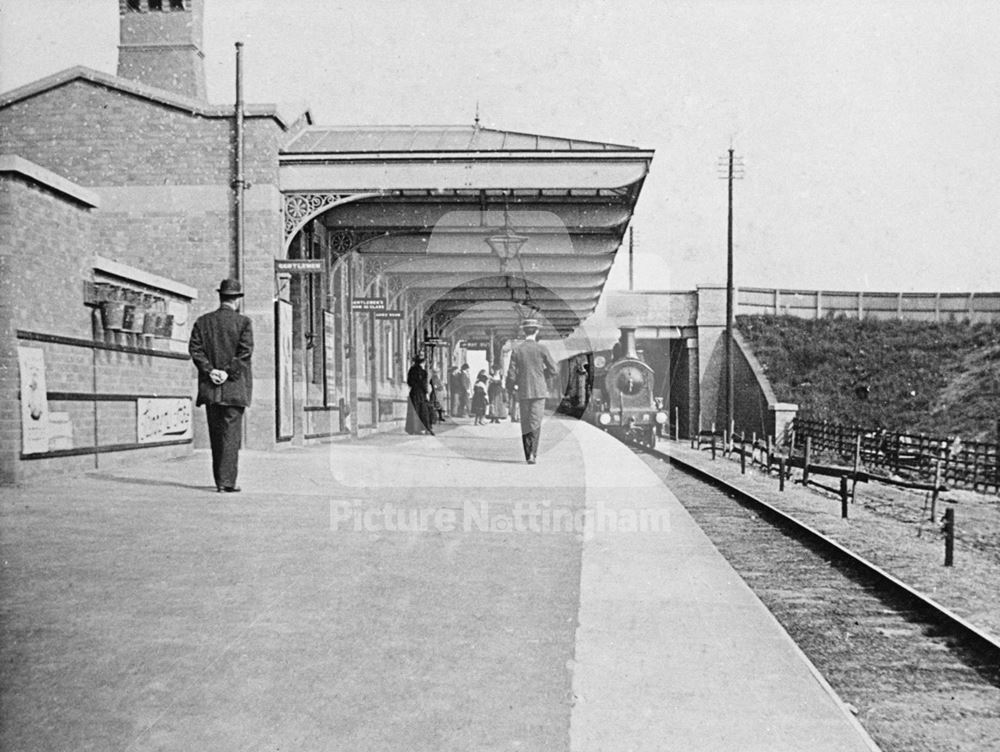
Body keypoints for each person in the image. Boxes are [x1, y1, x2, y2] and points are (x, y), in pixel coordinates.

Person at [188, 278, 254, 492]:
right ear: (236, 300)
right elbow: (244, 353)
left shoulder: (203, 321)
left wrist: (210, 370)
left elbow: (195, 350)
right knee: (231, 437)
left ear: (221, 297)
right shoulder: (243, 323)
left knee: (216, 435)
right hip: (234, 389)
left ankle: (220, 480)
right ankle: (226, 482)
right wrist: (227, 372)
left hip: (211, 389)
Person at [506, 318, 557, 464]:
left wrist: (512, 387)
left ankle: (527, 454)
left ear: (524, 332)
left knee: (526, 424)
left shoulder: (517, 350)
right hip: (539, 392)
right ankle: (533, 455)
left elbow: (511, 374)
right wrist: (542, 377)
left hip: (523, 392)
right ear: (537, 331)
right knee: (536, 423)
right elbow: (554, 370)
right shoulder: (542, 349)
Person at [405, 353, 433, 435]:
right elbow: (424, 384)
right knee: (423, 411)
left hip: (413, 392)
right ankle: (423, 429)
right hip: (421, 393)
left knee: (413, 410)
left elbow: (409, 382)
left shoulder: (411, 370)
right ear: (422, 363)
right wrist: (426, 392)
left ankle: (412, 429)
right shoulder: (423, 372)